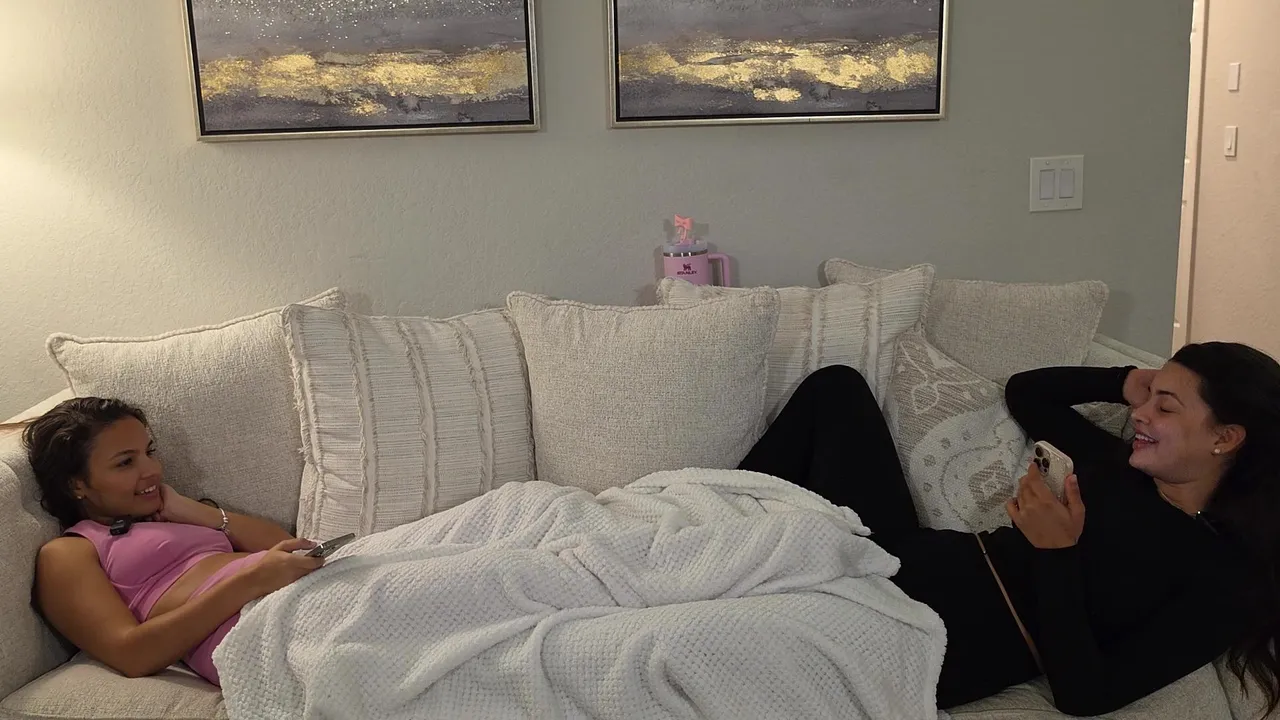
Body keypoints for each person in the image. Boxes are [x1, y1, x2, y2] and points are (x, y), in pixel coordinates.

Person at [738, 342, 1280, 715]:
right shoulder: (1123, 468)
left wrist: (1056, 551)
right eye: (1149, 399)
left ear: (1225, 437)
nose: (1141, 415)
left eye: (1166, 407)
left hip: (929, 633)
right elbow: (1027, 393)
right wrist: (1124, 381)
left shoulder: (1230, 576)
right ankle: (715, 516)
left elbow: (1087, 694)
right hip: (906, 553)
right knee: (836, 387)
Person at [22, 399, 324, 686]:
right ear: (76, 484)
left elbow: (293, 547)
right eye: (126, 462)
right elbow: (132, 655)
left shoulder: (172, 514)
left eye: (149, 452)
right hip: (260, 627)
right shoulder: (68, 551)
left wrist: (197, 512)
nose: (153, 470)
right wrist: (251, 582)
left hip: (298, 593)